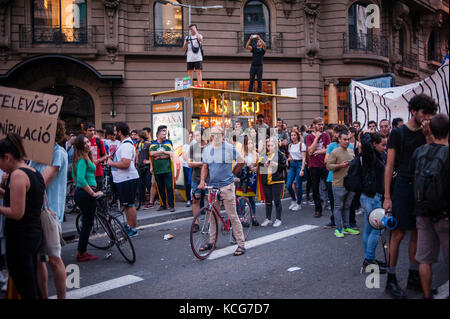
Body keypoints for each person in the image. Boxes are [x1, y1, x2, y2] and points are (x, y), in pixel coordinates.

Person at [383, 94, 437, 299]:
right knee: (397, 234)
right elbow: (389, 165)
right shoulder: (398, 133)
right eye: (424, 113)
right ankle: (391, 278)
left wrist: (429, 135)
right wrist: (387, 196)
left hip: (421, 187)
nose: (427, 118)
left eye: (430, 115)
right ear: (414, 111)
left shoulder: (428, 131)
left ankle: (414, 276)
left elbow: (434, 154)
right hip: (403, 186)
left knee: (417, 232)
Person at [0, 133, 45, 299]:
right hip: (33, 236)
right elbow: (27, 199)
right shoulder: (33, 171)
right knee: (31, 283)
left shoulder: (18, 175)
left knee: (26, 288)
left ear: (7, 157)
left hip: (20, 240)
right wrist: (5, 193)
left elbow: (17, 213)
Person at [29, 120, 68, 299]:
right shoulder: (34, 155)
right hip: (34, 211)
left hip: (49, 212)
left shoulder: (57, 153)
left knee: (54, 259)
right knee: (39, 259)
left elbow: (41, 182)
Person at [412, 114, 449, 299]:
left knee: (424, 259)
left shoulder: (419, 151)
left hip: (423, 211)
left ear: (430, 130)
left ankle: (427, 296)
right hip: (445, 213)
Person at [198, 126, 246, 256]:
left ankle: (241, 244)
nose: (216, 136)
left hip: (227, 185)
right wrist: (202, 181)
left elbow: (242, 161)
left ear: (223, 136)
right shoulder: (208, 149)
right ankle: (212, 241)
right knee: (212, 216)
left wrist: (233, 173)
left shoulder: (229, 147)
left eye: (219, 134)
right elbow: (205, 166)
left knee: (232, 215)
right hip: (213, 186)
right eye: (214, 134)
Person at [359, 131, 388, 273]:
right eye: (382, 145)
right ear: (374, 144)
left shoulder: (377, 156)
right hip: (372, 197)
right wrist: (369, 134)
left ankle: (369, 259)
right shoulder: (369, 155)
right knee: (377, 229)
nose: (385, 147)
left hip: (369, 196)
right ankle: (369, 261)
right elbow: (365, 141)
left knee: (369, 229)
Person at [72, 135, 103, 261]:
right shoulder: (81, 160)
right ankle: (82, 252)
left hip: (86, 192)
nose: (88, 144)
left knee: (87, 223)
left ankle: (82, 251)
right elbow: (79, 179)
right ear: (80, 146)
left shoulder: (85, 158)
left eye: (88, 142)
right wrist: (92, 193)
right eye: (85, 143)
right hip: (86, 193)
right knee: (87, 224)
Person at [107, 122, 140, 237]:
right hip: (123, 179)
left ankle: (133, 229)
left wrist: (111, 163)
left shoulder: (126, 145)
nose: (114, 133)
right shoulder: (124, 143)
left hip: (127, 179)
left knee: (129, 204)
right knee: (127, 204)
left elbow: (125, 164)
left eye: (115, 131)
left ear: (120, 132)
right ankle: (129, 226)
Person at [326, 130, 359, 238]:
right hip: (338, 183)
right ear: (339, 140)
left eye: (348, 139)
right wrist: (340, 165)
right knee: (338, 206)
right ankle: (338, 228)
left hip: (351, 183)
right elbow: (328, 166)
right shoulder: (335, 152)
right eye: (344, 139)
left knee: (347, 206)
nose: (347, 141)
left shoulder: (351, 150)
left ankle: (346, 226)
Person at [305, 117, 331, 218]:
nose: (321, 126)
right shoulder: (309, 137)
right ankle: (318, 209)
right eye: (319, 124)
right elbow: (310, 151)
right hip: (314, 166)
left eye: (322, 124)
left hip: (325, 164)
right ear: (314, 125)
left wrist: (318, 151)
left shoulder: (326, 135)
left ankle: (332, 207)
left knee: (329, 186)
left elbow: (328, 149)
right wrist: (317, 138)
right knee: (315, 189)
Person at [258, 137, 287, 228]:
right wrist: (263, 165)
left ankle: (278, 219)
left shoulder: (280, 154)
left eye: (271, 145)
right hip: (266, 180)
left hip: (277, 180)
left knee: (277, 201)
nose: (269, 146)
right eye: (268, 145)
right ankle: (268, 218)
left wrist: (275, 164)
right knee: (268, 201)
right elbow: (259, 166)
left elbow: (283, 166)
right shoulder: (263, 155)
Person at [150, 125, 176, 212]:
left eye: (165, 134)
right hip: (157, 169)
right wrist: (165, 155)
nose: (165, 136)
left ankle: (171, 205)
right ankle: (163, 204)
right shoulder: (153, 144)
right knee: (160, 188)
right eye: (163, 134)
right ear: (158, 135)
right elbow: (151, 154)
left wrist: (162, 153)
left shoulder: (168, 143)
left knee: (169, 187)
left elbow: (172, 153)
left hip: (167, 169)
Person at [236, 135, 259, 226]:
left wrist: (257, 167)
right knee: (241, 201)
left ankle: (253, 217)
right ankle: (242, 219)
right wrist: (246, 165)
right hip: (242, 180)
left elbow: (259, 166)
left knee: (252, 200)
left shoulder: (256, 154)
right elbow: (236, 167)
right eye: (248, 143)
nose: (250, 145)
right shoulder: (240, 154)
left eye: (251, 143)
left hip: (251, 180)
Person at [188, 127, 209, 232]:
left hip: (209, 178)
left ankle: (210, 222)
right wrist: (202, 163)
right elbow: (189, 163)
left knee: (209, 200)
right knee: (195, 200)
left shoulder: (209, 147)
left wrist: (203, 164)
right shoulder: (193, 147)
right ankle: (196, 223)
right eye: (195, 135)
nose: (196, 137)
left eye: (198, 135)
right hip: (195, 178)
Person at [84, 122, 108, 190]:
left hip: (98, 173)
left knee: (98, 194)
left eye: (93, 130)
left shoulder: (98, 141)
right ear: (85, 131)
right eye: (90, 130)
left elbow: (105, 155)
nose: (92, 132)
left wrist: (98, 161)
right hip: (86, 173)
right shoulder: (81, 141)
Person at [286, 130, 306, 211]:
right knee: (288, 184)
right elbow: (291, 156)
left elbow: (304, 158)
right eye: (292, 135)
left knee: (298, 185)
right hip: (293, 165)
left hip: (300, 164)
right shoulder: (290, 145)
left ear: (297, 136)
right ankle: (294, 200)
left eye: (294, 135)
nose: (293, 137)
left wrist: (302, 169)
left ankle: (298, 203)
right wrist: (288, 159)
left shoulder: (301, 145)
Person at [136, 130, 152, 210]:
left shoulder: (148, 144)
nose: (136, 137)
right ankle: (142, 199)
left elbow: (152, 155)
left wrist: (149, 162)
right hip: (140, 166)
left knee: (148, 183)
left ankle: (152, 199)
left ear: (141, 136)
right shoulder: (138, 144)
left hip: (147, 167)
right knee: (140, 184)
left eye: (138, 136)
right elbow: (137, 155)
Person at [182, 131, 194, 208]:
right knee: (187, 183)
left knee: (194, 183)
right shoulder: (185, 146)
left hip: (193, 166)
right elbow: (184, 157)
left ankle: (194, 198)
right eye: (188, 136)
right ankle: (188, 199)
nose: (190, 138)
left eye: (191, 136)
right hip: (186, 166)